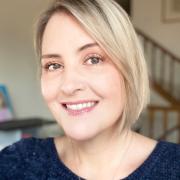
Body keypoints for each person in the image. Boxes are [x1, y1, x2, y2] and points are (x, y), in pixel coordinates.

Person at [0, 0, 180, 179]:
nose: (68, 86)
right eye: (54, 65)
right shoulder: (16, 163)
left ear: (129, 70)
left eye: (93, 59)